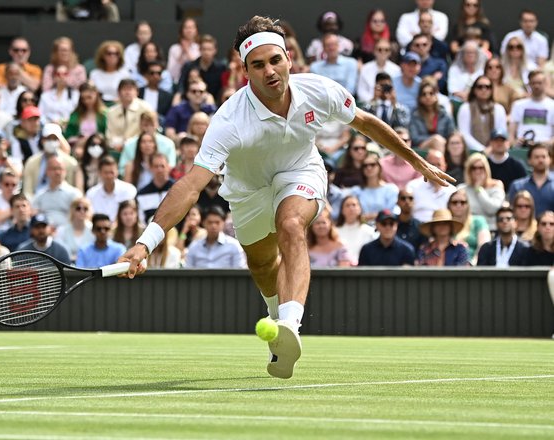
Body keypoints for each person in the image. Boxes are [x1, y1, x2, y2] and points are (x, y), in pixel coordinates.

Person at [117, 16, 451, 379]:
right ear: (245, 71)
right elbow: (191, 185)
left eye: (275, 60)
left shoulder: (319, 90)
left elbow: (365, 122)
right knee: (262, 267)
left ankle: (291, 324)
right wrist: (145, 243)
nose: (270, 71)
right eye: (257, 65)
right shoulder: (229, 120)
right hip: (247, 193)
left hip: (300, 171)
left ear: (289, 58)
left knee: (290, 223)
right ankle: (278, 320)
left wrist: (415, 160)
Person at [22, 123, 79, 198]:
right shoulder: (31, 162)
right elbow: (27, 191)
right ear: (42, 140)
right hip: (36, 204)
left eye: (54, 139)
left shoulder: (71, 163)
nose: (51, 141)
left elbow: (72, 190)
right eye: (48, 138)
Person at [456, 75, 507, 152]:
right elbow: (464, 134)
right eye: (480, 87)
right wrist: (482, 150)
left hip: (494, 151)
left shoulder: (499, 109)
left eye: (487, 87)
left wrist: (492, 148)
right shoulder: (465, 108)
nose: (484, 89)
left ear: (491, 90)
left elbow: (501, 133)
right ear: (474, 90)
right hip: (471, 151)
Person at [32, 156, 83, 228]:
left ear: (65, 171)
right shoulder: (39, 194)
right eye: (54, 169)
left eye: (60, 169)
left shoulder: (74, 194)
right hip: (45, 234)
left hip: (68, 233)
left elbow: (80, 217)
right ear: (47, 171)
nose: (57, 172)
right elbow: (34, 215)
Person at [105, 79, 153, 156]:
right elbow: (109, 135)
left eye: (130, 89)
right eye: (124, 89)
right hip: (117, 148)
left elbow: (149, 131)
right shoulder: (111, 111)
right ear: (119, 93)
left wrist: (129, 143)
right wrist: (118, 143)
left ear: (137, 92)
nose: (127, 92)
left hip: (139, 147)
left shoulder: (145, 108)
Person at [458, 153, 505, 230]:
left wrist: (479, 189)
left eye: (481, 168)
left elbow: (493, 209)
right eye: (474, 168)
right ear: (469, 170)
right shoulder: (462, 189)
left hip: (492, 229)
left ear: (486, 169)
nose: (477, 171)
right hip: (469, 230)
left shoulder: (496, 186)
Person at [407, 149, 457, 222]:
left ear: (445, 166)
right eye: (432, 165)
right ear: (425, 166)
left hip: (444, 228)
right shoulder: (412, 186)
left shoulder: (452, 191)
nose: (435, 169)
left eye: (438, 164)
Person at [508, 71, 554, 147]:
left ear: (545, 84)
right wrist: (514, 142)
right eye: (533, 83)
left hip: (545, 147)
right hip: (522, 145)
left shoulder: (552, 105)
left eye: (539, 83)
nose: (536, 86)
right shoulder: (518, 105)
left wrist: (545, 143)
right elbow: (511, 133)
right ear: (529, 84)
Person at [507, 144, 554, 217]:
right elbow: (512, 212)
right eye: (537, 157)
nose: (540, 160)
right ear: (529, 160)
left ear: (550, 159)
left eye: (544, 157)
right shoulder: (518, 186)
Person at [86, 155, 137, 221]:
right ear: (99, 173)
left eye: (112, 172)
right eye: (106, 173)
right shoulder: (91, 194)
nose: (109, 176)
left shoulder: (129, 190)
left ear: (117, 172)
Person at [177, 35, 227, 100]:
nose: (206, 52)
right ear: (199, 50)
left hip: (215, 102)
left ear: (215, 50)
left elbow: (222, 88)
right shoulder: (189, 66)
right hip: (191, 100)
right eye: (204, 49)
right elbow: (181, 86)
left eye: (209, 49)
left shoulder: (221, 68)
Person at [352, 154, 399, 224]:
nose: (369, 168)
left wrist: (372, 216)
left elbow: (392, 211)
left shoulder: (391, 189)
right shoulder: (356, 191)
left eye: (372, 165)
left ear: (379, 167)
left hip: (385, 225)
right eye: (365, 166)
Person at [447, 188, 490, 263]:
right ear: (449, 205)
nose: (459, 205)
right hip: (449, 265)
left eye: (463, 202)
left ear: (468, 205)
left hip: (474, 265)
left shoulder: (478, 221)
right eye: (454, 202)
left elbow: (484, 245)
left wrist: (474, 263)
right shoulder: (444, 223)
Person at [409, 81, 454, 150]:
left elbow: (451, 133)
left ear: (436, 96)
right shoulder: (415, 115)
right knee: (436, 140)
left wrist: (440, 140)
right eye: (424, 94)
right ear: (420, 98)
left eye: (431, 93)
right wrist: (434, 139)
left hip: (444, 145)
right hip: (422, 147)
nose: (428, 97)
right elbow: (414, 138)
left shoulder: (444, 113)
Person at [64, 81, 108, 150]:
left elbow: (107, 135)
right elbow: (68, 135)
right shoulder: (76, 115)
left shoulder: (104, 114)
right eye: (83, 99)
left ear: (96, 95)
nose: (86, 101)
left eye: (89, 97)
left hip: (98, 148)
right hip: (78, 147)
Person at [335, 195, 376, 265]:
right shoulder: (335, 231)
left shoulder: (370, 231)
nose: (351, 208)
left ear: (360, 209)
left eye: (354, 205)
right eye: (347, 205)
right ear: (342, 210)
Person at [357, 40, 401, 105]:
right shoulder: (365, 68)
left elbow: (398, 91)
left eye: (386, 50)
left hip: (390, 105)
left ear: (390, 52)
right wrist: (373, 100)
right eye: (380, 49)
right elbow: (361, 91)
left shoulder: (397, 70)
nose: (383, 52)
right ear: (374, 51)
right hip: (369, 105)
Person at [136, 153, 174, 224]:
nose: (159, 170)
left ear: (168, 167)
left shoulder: (178, 189)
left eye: (162, 166)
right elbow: (141, 222)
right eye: (156, 166)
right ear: (151, 168)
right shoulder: (141, 194)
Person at [55, 197, 95, 262]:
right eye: (78, 208)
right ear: (72, 210)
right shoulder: (62, 230)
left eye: (85, 209)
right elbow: (58, 251)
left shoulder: (94, 229)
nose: (82, 211)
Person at [167, 17, 200, 85]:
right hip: (176, 82)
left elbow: (198, 67)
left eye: (191, 27)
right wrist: (182, 52)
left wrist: (187, 51)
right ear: (182, 30)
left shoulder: (199, 48)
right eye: (186, 27)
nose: (189, 30)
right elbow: (171, 72)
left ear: (196, 30)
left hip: (195, 83)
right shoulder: (174, 48)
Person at [396, 188, 428, 252]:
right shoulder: (390, 224)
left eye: (410, 198)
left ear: (414, 202)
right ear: (397, 202)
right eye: (403, 198)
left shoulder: (420, 227)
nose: (407, 201)